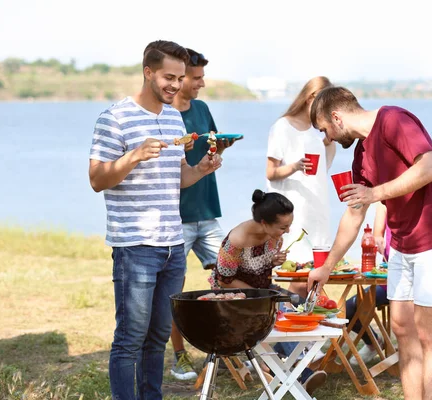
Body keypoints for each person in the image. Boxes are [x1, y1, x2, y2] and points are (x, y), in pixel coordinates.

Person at [307, 87, 432, 400]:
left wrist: (375, 193)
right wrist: (325, 267)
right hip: (403, 245)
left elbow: (429, 168)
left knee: (428, 334)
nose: (326, 138)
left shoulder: (393, 119)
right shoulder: (361, 154)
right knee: (402, 329)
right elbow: (354, 216)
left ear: (336, 117)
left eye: (324, 129)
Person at [88, 40, 221, 400]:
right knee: (130, 338)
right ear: (148, 72)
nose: (175, 85)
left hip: (172, 245)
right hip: (135, 246)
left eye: (180, 78)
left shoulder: (174, 117)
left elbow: (176, 178)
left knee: (158, 337)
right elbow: (97, 179)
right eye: (168, 77)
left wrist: (201, 170)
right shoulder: (114, 117)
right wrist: (132, 157)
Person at [208, 189, 328, 395]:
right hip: (231, 296)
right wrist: (260, 295)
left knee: (300, 303)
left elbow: (261, 270)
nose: (288, 231)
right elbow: (224, 280)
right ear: (264, 222)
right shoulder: (236, 240)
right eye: (283, 227)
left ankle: (302, 360)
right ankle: (301, 367)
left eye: (289, 225)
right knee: (278, 308)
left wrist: (272, 261)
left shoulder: (275, 237)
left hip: (262, 291)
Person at [168, 48, 239, 381]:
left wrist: (220, 146)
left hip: (208, 213)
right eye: (196, 78)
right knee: (174, 289)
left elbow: (209, 146)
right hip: (175, 218)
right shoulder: (164, 114)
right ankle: (179, 356)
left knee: (232, 279)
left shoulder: (202, 109)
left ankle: (230, 348)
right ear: (180, 78)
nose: (201, 84)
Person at [266, 76, 336, 298]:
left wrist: (329, 141)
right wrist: (295, 166)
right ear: (311, 98)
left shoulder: (317, 132)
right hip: (294, 212)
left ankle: (309, 327)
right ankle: (289, 323)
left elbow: (320, 172)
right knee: (298, 276)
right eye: (324, 104)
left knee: (317, 276)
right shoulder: (282, 127)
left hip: (317, 210)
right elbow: (271, 172)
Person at [345, 203, 391, 365]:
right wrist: (377, 239)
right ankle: (373, 342)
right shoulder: (384, 202)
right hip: (386, 280)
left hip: (409, 281)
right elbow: (378, 233)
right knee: (347, 309)